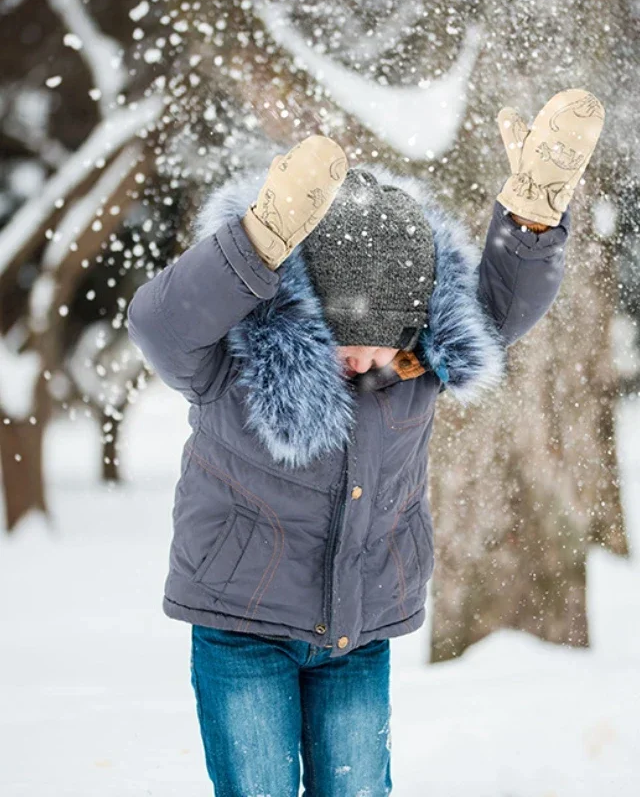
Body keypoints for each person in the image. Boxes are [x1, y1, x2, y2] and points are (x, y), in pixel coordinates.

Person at [126, 88, 604, 796]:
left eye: (382, 342)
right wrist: (253, 246)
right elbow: (157, 322)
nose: (365, 361)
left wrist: (531, 224)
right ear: (306, 307)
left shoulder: (415, 361)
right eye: (346, 342)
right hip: (242, 626)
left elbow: (498, 311)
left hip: (358, 630)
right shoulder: (234, 353)